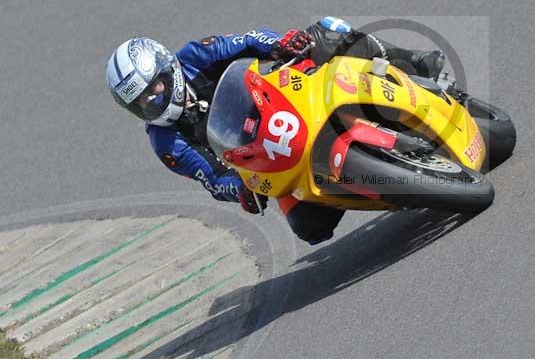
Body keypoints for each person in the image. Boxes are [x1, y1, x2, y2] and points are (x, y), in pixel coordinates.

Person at [106, 17, 444, 245]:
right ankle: (389, 192)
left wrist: (280, 45)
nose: (152, 101)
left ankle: (412, 62)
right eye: (141, 102)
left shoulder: (196, 55)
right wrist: (240, 189)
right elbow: (213, 178)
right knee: (310, 227)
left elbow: (248, 41)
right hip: (271, 156)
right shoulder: (166, 142)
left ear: (167, 67)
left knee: (328, 32)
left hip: (287, 92)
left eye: (154, 88)